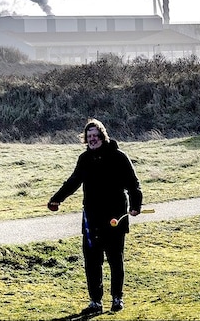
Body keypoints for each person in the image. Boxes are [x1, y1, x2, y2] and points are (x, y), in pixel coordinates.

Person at [47, 118, 142, 314]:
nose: (92, 139)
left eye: (95, 136)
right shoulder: (84, 159)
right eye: (88, 136)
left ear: (102, 136)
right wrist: (56, 199)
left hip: (115, 217)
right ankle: (95, 303)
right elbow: (73, 181)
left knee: (116, 259)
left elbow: (133, 184)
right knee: (92, 261)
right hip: (92, 218)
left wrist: (135, 206)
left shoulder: (118, 157)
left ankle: (117, 299)